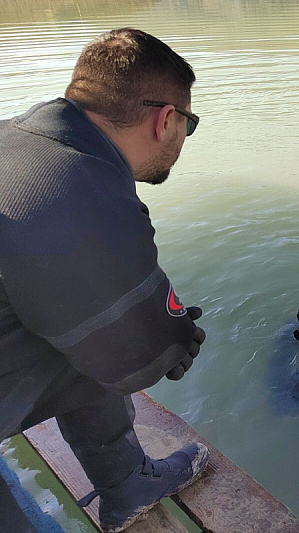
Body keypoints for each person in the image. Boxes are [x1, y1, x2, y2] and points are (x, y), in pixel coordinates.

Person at [0, 29, 208, 533]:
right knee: (105, 341)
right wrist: (177, 337)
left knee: (80, 341)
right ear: (166, 120)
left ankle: (126, 483)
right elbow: (143, 352)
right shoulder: (85, 192)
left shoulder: (16, 138)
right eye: (190, 123)